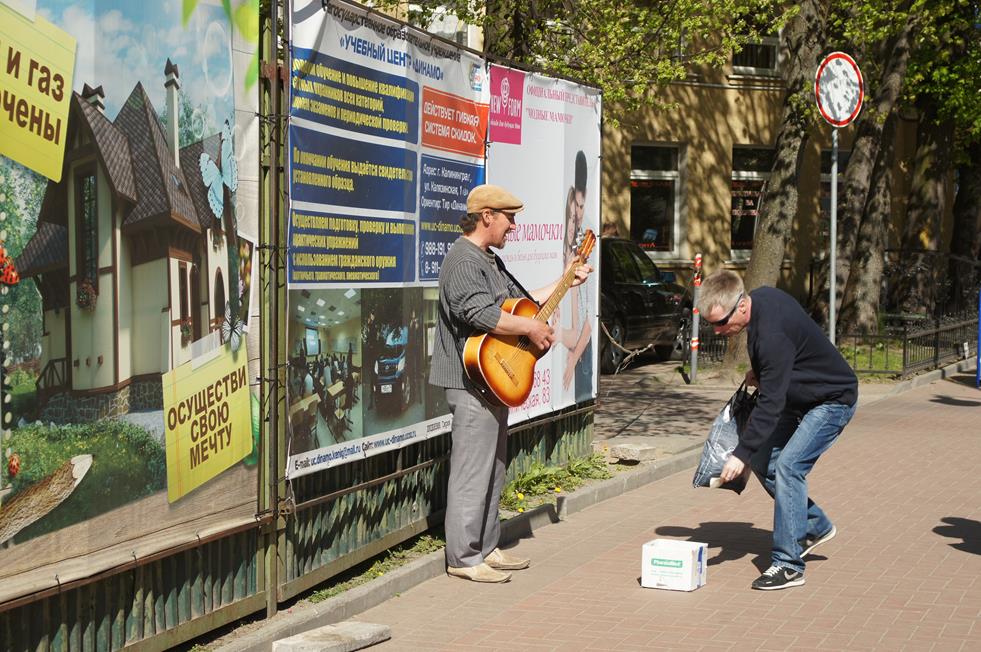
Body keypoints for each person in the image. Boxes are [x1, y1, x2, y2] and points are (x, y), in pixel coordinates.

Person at [430, 183, 593, 583]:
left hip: (492, 383)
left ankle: (486, 547)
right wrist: (531, 328)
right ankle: (464, 558)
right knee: (472, 471)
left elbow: (524, 301)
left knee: (494, 468)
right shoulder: (463, 260)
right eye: (510, 218)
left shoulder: (488, 260)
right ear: (487, 216)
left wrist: (566, 280)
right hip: (471, 383)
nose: (514, 227)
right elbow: (481, 314)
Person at [698, 270, 857, 590]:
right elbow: (792, 349)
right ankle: (814, 525)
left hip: (831, 401)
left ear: (741, 306)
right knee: (762, 461)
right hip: (797, 396)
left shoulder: (770, 333)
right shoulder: (764, 298)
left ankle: (788, 564)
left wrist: (740, 454)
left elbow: (770, 404)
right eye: (711, 324)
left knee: (788, 467)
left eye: (721, 323)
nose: (717, 331)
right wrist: (763, 371)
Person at [557, 151, 594, 401]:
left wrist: (572, 356)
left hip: (579, 356)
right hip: (570, 353)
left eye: (580, 208)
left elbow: (586, 321)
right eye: (572, 215)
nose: (576, 219)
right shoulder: (566, 256)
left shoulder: (585, 245)